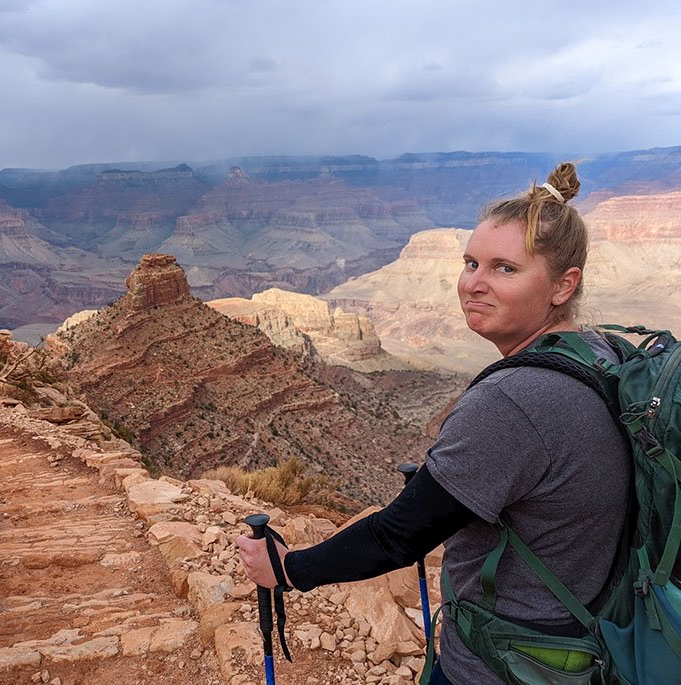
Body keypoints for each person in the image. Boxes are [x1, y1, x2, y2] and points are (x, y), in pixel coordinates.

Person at [236, 162, 632, 684]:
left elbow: (396, 536)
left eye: (504, 268)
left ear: (564, 285)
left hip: (508, 664)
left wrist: (287, 570)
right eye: (471, 263)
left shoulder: (514, 400)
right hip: (586, 643)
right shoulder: (602, 352)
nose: (474, 284)